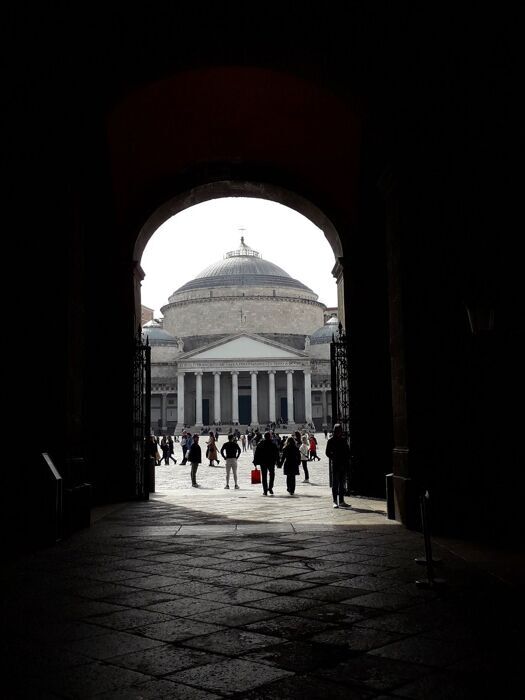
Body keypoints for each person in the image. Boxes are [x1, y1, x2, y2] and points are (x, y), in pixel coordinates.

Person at [325, 423, 351, 508]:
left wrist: (347, 458)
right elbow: (327, 452)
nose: (339, 432)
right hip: (336, 464)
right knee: (335, 484)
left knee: (342, 484)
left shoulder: (343, 440)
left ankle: (342, 501)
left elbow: (347, 451)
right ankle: (335, 501)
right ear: (335, 431)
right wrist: (333, 457)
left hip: (343, 464)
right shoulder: (331, 441)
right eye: (337, 430)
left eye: (340, 430)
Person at [253, 431, 279, 496]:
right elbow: (277, 454)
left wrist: (255, 461)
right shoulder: (273, 444)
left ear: (264, 437)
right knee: (272, 475)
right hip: (271, 462)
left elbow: (256, 453)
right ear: (270, 437)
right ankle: (270, 487)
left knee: (264, 477)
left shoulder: (260, 444)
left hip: (263, 462)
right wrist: (278, 461)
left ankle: (265, 491)